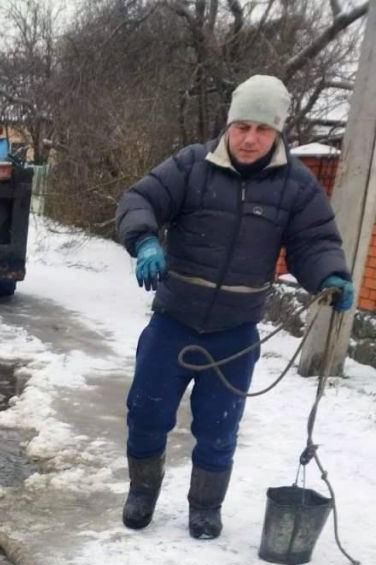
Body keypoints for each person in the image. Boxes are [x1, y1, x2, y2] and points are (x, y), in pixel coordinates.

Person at [115, 74, 355, 539]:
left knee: (219, 428)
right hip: (174, 321)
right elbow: (140, 198)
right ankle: (141, 493)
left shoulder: (296, 187)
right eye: (242, 126)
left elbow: (315, 241)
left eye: (262, 129)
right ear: (229, 124)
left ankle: (205, 506)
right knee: (146, 413)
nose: (249, 139)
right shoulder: (191, 165)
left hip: (235, 333)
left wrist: (330, 274)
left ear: (278, 131)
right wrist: (144, 240)